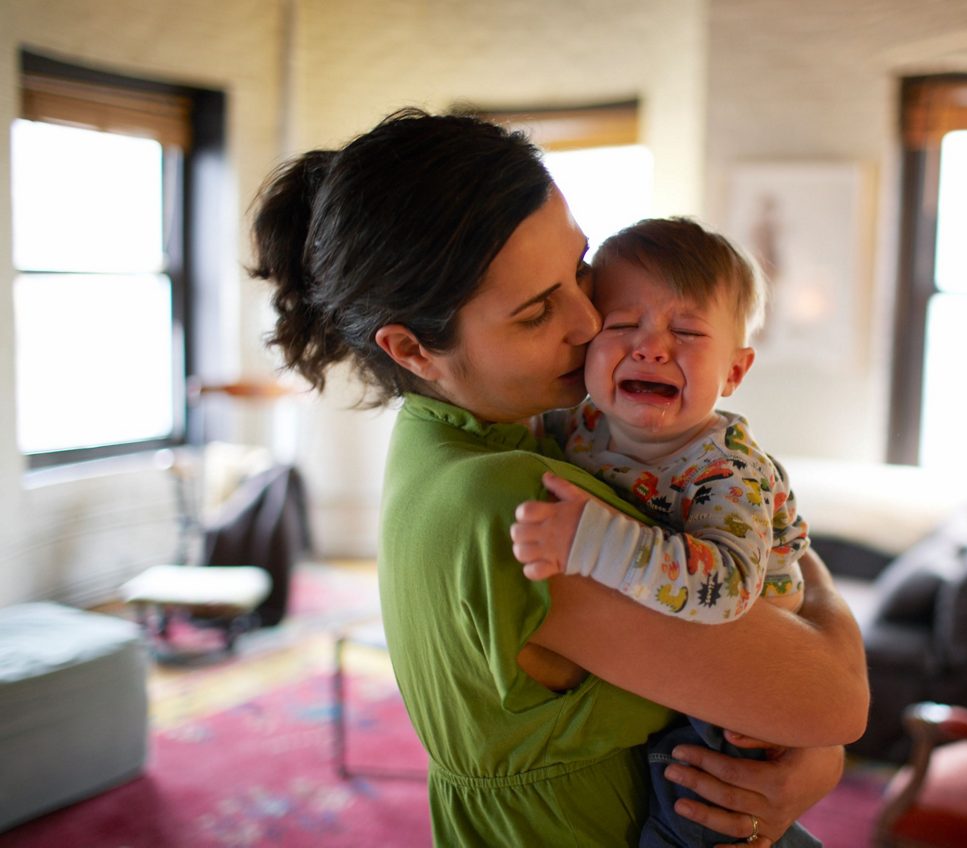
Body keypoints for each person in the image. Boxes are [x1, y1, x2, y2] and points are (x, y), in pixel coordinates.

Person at [250, 107, 869, 847]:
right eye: (539, 310)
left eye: (578, 270)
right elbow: (834, 700)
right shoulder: (519, 505)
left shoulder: (485, 437)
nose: (589, 322)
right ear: (413, 348)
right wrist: (820, 640)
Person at [510, 217, 819, 846]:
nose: (652, 347)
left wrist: (592, 541)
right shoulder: (578, 425)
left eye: (687, 331)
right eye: (622, 325)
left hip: (734, 684)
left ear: (734, 372)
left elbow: (727, 590)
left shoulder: (727, 471)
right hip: (654, 654)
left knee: (699, 812)